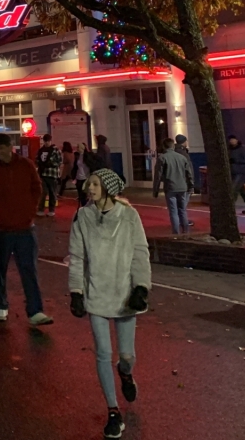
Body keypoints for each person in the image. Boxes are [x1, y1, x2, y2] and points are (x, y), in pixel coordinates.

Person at [69, 169, 151, 440]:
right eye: (89, 184)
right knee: (103, 353)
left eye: (95, 184)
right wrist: (76, 292)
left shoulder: (129, 216)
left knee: (127, 356)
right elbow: (77, 257)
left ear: (108, 187)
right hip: (96, 294)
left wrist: (141, 286)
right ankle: (113, 412)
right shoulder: (82, 217)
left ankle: (125, 374)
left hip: (124, 295)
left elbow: (140, 252)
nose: (90, 188)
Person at [0, 134, 53, 326]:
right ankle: (1, 304)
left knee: (28, 269)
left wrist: (30, 211)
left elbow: (36, 187)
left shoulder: (25, 165)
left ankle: (35, 310)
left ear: (10, 147)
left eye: (1, 148)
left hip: (24, 227)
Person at [153, 138, 193, 234]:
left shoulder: (162, 158)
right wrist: (191, 186)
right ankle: (186, 231)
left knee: (173, 211)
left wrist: (155, 190)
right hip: (182, 187)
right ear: (173, 146)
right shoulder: (182, 158)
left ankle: (176, 233)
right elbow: (189, 173)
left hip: (170, 187)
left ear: (164, 146)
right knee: (182, 210)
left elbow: (158, 176)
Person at [35, 134, 62, 217]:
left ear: (50, 141)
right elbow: (36, 159)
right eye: (45, 141)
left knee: (52, 193)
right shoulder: (41, 150)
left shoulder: (55, 150)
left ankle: (51, 209)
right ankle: (41, 209)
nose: (46, 143)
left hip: (52, 174)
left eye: (48, 141)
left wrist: (51, 163)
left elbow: (60, 161)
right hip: (43, 174)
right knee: (43, 192)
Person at [228, 135, 245, 214]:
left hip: (240, 172)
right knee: (242, 191)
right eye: (230, 140)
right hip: (233, 172)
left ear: (236, 140)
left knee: (234, 189)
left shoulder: (243, 148)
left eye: (233, 140)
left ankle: (230, 208)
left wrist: (236, 161)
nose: (232, 141)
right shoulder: (229, 149)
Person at [73, 142, 93, 206]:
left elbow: (91, 165)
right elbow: (75, 167)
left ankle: (86, 206)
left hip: (85, 177)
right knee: (80, 194)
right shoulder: (77, 156)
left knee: (85, 193)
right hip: (78, 177)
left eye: (78, 147)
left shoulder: (87, 156)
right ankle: (83, 206)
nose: (77, 149)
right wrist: (74, 176)